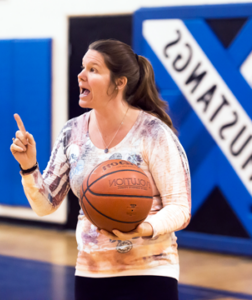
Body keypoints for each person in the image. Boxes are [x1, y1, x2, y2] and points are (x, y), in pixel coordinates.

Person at [10, 39, 191, 300]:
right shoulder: (72, 133)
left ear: (119, 82)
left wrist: (144, 228)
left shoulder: (153, 133)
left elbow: (180, 208)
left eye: (93, 70)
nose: (81, 75)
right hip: (91, 272)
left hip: (152, 271)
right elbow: (45, 205)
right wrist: (28, 166)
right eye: (82, 68)